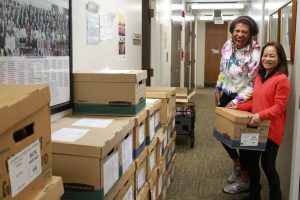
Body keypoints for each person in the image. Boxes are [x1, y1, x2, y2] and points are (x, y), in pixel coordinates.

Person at [233, 42, 290, 200]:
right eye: (265, 55)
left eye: (272, 56)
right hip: (255, 127)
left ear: (280, 59)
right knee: (251, 163)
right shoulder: (260, 76)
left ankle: (275, 197)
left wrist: (260, 116)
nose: (267, 58)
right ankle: (254, 194)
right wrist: (238, 107)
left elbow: (279, 107)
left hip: (271, 130)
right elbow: (256, 102)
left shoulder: (282, 80)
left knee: (268, 167)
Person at [215, 16, 261, 194]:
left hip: (244, 99)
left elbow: (252, 83)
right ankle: (236, 162)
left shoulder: (255, 54)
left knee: (243, 139)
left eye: (244, 32)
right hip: (226, 93)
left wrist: (237, 102)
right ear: (232, 31)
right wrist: (218, 88)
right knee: (222, 133)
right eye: (237, 31)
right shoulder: (227, 45)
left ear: (250, 35)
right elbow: (222, 69)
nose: (239, 34)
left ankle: (244, 179)